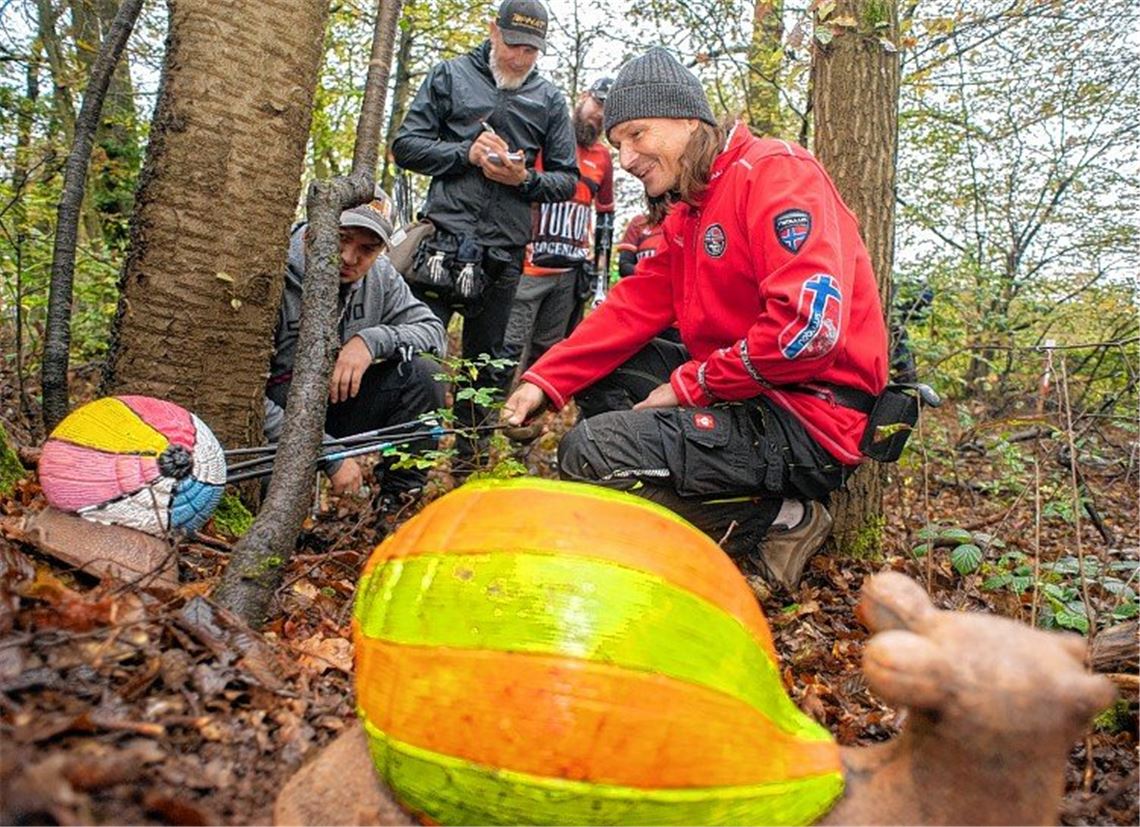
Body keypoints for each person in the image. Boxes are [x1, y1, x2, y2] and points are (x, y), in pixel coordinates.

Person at [504, 47, 890, 590]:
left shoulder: (775, 174)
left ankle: (777, 523)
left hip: (810, 415)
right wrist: (545, 382)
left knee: (590, 452)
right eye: (618, 144)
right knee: (607, 374)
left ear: (689, 119)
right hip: (750, 395)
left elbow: (807, 332)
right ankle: (693, 517)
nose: (628, 156)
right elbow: (632, 304)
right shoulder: (691, 210)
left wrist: (691, 385)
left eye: (638, 134)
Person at [391, 0, 577, 471]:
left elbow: (566, 179)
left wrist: (526, 181)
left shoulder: (550, 100)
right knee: (418, 358)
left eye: (531, 51)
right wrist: (465, 154)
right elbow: (405, 146)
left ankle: (468, 472)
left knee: (489, 367)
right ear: (494, 31)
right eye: (514, 45)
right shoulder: (449, 75)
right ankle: (404, 473)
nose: (521, 57)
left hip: (504, 252)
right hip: (441, 241)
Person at [265, 190, 446, 505]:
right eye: (341, 238)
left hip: (338, 403)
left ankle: (398, 500)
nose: (349, 257)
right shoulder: (271, 275)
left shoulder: (381, 276)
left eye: (368, 248)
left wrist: (370, 341)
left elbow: (434, 333)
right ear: (314, 228)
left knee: (424, 375)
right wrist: (328, 453)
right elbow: (245, 396)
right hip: (274, 420)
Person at [503, 76, 615, 376]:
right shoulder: (546, 137)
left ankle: (524, 421)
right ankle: (484, 416)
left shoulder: (603, 157)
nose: (600, 114)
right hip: (530, 265)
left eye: (608, 108)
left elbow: (606, 214)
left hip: (569, 272)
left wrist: (600, 275)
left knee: (549, 350)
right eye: (598, 103)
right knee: (509, 346)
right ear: (583, 96)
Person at [616, 212, 664, 278]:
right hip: (642, 284)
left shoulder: (680, 222)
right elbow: (624, 267)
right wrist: (648, 275)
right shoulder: (639, 222)